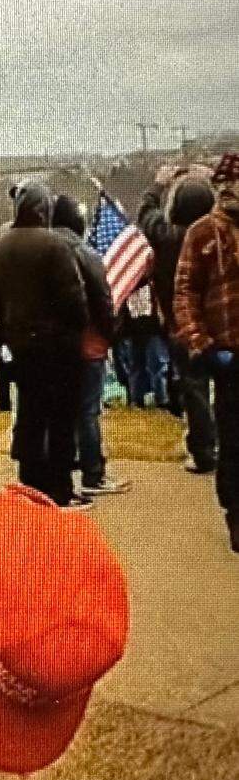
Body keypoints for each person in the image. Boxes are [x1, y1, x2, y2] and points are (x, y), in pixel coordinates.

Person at [0, 182, 91, 509]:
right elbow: (74, 300)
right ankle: (60, 487)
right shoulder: (54, 245)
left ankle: (30, 483)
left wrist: (9, 332)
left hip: (21, 345)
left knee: (30, 415)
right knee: (61, 419)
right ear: (44, 209)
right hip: (58, 346)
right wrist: (76, 327)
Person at [173, 153, 239, 553]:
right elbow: (184, 291)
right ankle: (235, 510)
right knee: (232, 438)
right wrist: (202, 343)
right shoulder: (202, 233)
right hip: (227, 352)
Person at [138, 166, 218, 473]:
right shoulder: (219, 236)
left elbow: (146, 214)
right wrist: (212, 178)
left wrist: (158, 184)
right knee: (225, 390)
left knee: (194, 390)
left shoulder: (168, 238)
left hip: (181, 326)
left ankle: (203, 451)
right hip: (220, 324)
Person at [50, 193, 127, 497]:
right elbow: (103, 301)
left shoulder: (42, 251)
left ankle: (64, 471)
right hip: (88, 342)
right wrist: (110, 334)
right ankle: (93, 474)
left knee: (60, 412)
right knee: (87, 412)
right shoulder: (86, 254)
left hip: (53, 347)